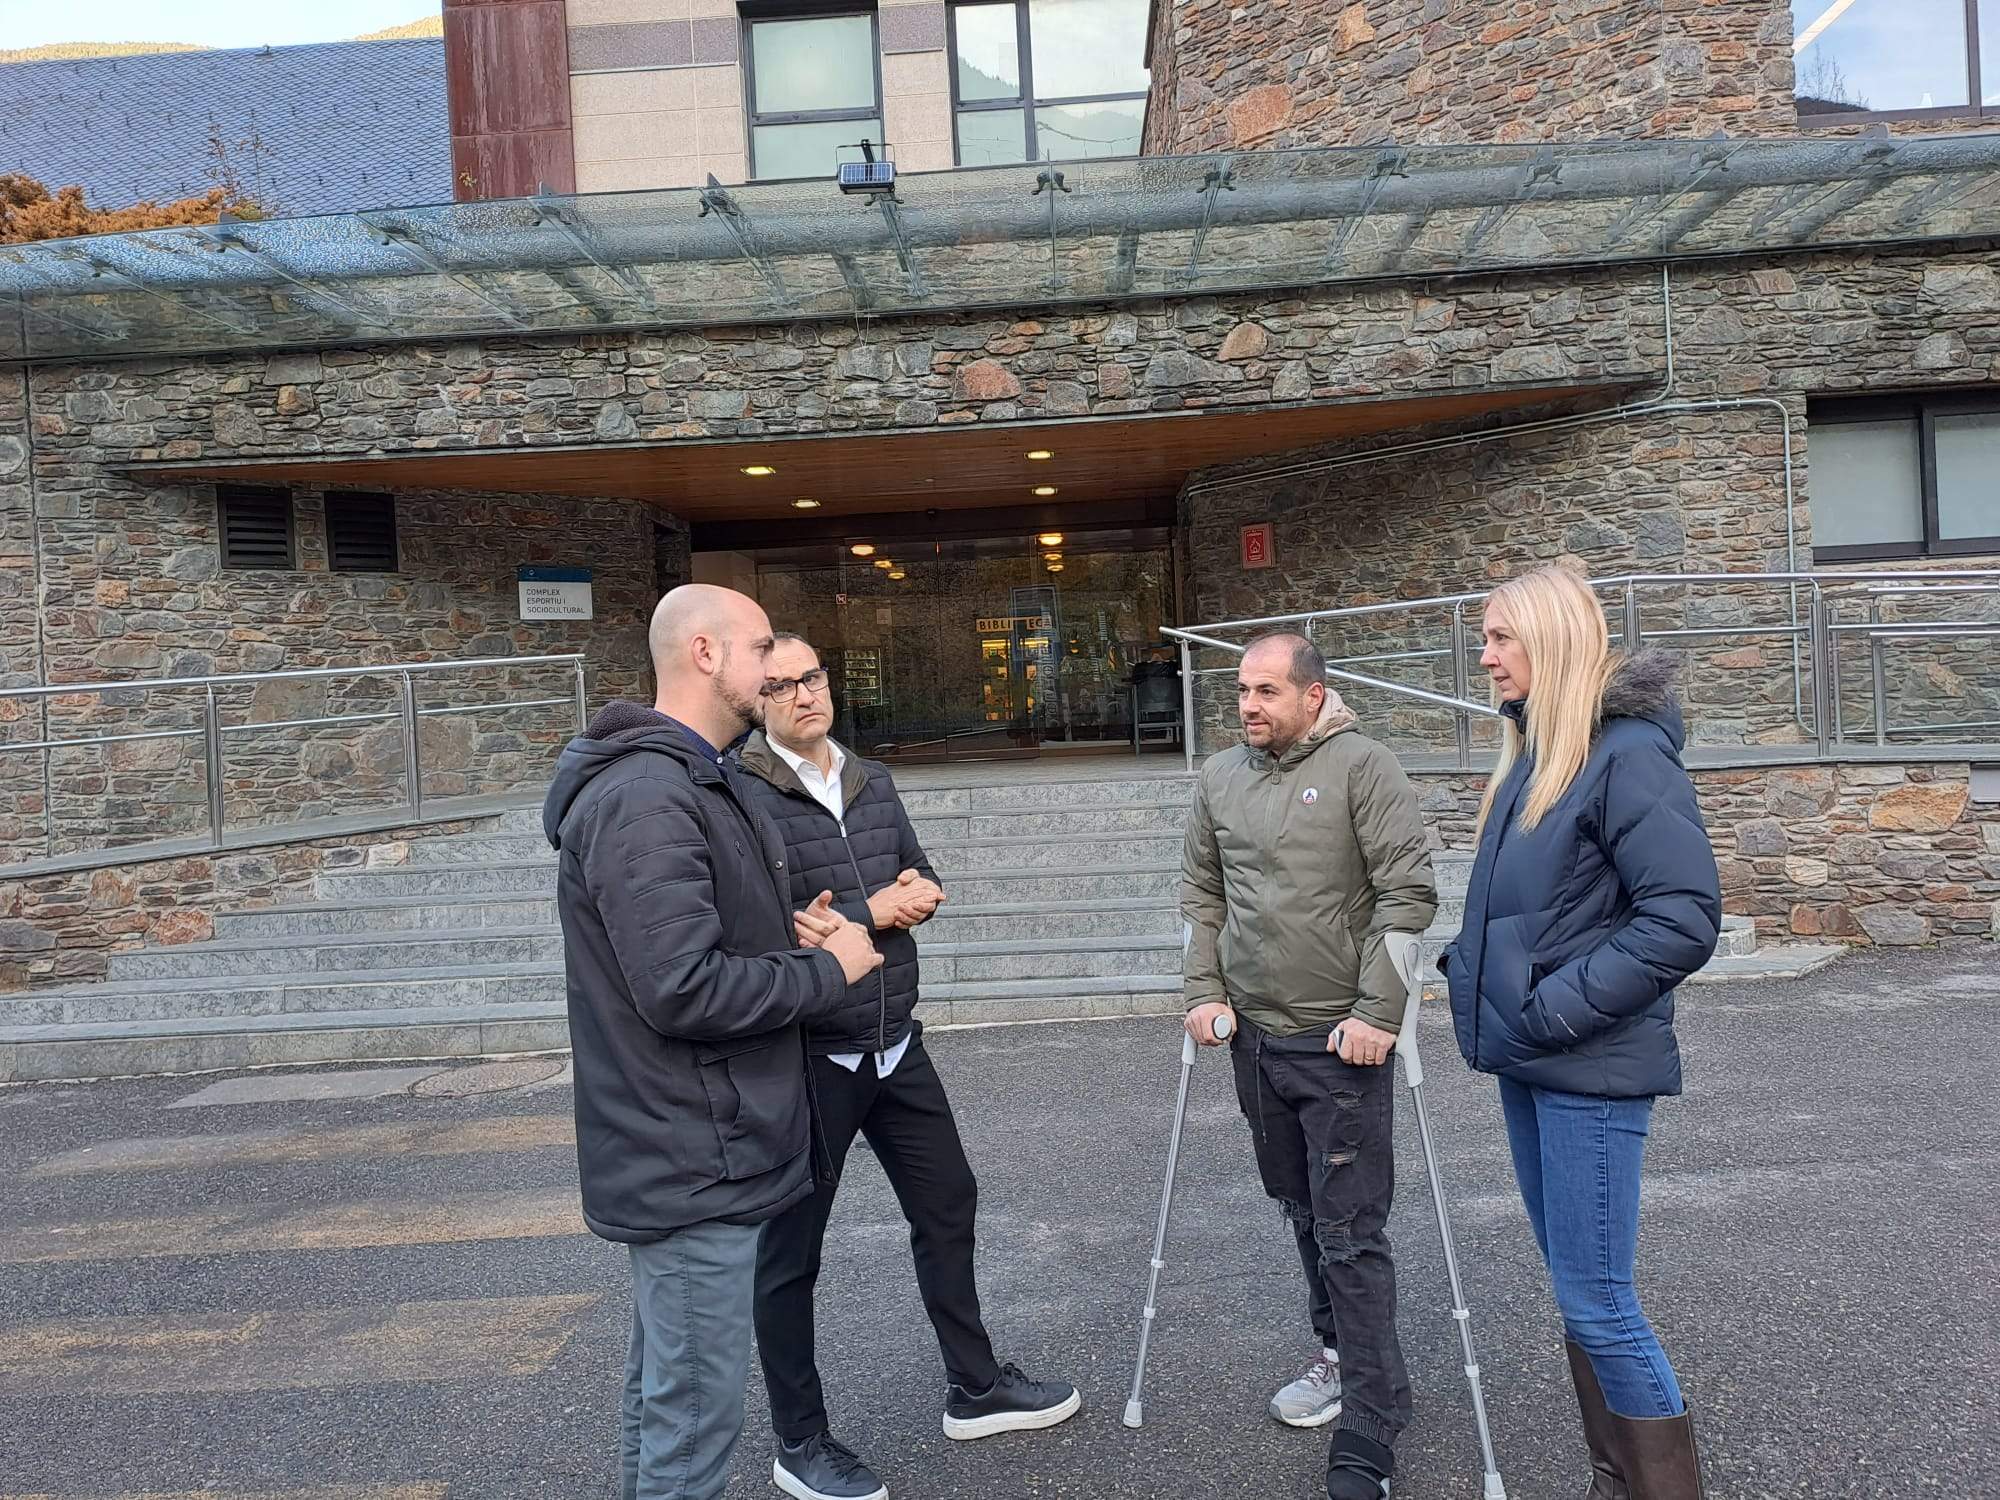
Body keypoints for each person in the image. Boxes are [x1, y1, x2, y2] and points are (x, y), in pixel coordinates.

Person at [542, 585, 884, 1500]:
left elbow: (696, 943)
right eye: (761, 646)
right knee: (691, 1424)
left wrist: (787, 930)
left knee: (670, 1404)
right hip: (692, 1152)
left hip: (701, 1140)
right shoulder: (648, 794)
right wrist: (834, 969)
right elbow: (681, 988)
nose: (776, 667)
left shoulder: (698, 774)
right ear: (703, 653)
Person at [735, 633, 1079, 1500]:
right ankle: (799, 1440)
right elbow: (763, 930)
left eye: (811, 677)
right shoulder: (742, 794)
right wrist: (875, 907)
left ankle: (976, 1386)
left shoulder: (869, 779)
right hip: (811, 1053)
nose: (801, 695)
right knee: (791, 1253)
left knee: (948, 1205)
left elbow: (913, 868)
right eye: (778, 686)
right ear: (758, 701)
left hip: (895, 1041)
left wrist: (920, 888)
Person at [1443, 565, 1721, 1500]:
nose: (1484, 657)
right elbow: (1544, 910)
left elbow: (1682, 915)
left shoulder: (1627, 753)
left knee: (1600, 1301)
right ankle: (1616, 1480)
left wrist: (1553, 1006)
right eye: (1484, 638)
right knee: (1579, 1293)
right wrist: (1468, 966)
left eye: (1499, 638)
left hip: (1587, 1065)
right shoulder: (1536, 754)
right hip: (1535, 1059)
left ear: (1552, 642)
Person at [1182, 630, 1439, 1500]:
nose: (1248, 706)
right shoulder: (1220, 777)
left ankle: (1373, 1420)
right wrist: (1201, 991)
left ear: (1314, 695)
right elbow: (1204, 893)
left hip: (1340, 1045)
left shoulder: (1366, 767)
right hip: (1252, 1040)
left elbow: (1407, 896)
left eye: (1265, 692)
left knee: (1351, 1233)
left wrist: (1379, 1014)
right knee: (1298, 1207)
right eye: (1241, 692)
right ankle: (1334, 1357)